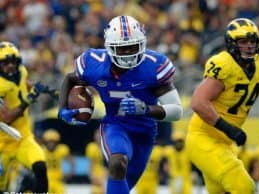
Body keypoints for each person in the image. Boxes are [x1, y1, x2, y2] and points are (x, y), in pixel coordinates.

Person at [58, 15, 183, 194]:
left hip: (144, 132)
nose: (129, 53)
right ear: (109, 47)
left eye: (133, 47)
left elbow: (177, 111)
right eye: (123, 48)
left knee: (125, 183)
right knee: (117, 163)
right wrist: (62, 108)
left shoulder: (153, 67)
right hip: (114, 124)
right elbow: (70, 78)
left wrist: (145, 109)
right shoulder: (95, 65)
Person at [185, 18, 259, 194]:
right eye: (243, 41)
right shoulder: (224, 64)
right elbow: (198, 102)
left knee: (221, 191)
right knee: (244, 186)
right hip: (203, 137)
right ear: (231, 43)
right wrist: (229, 129)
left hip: (226, 143)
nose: (249, 46)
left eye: (252, 41)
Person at [0, 41, 49, 192]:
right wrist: (29, 99)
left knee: (40, 166)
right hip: (2, 143)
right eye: (5, 62)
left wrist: (39, 89)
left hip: (22, 138)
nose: (10, 66)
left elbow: (25, 83)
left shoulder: (21, 71)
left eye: (13, 61)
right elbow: (7, 118)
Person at [42, 128, 74, 194]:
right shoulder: (41, 150)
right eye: (49, 142)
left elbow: (72, 162)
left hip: (58, 181)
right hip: (45, 181)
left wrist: (69, 174)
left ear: (57, 142)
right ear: (45, 142)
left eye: (53, 142)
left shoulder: (62, 149)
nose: (51, 144)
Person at [85, 129, 107, 194]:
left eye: (100, 135)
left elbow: (109, 164)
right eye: (97, 135)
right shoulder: (91, 147)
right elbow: (90, 162)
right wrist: (91, 174)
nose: (98, 137)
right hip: (95, 174)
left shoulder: (107, 146)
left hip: (105, 174)